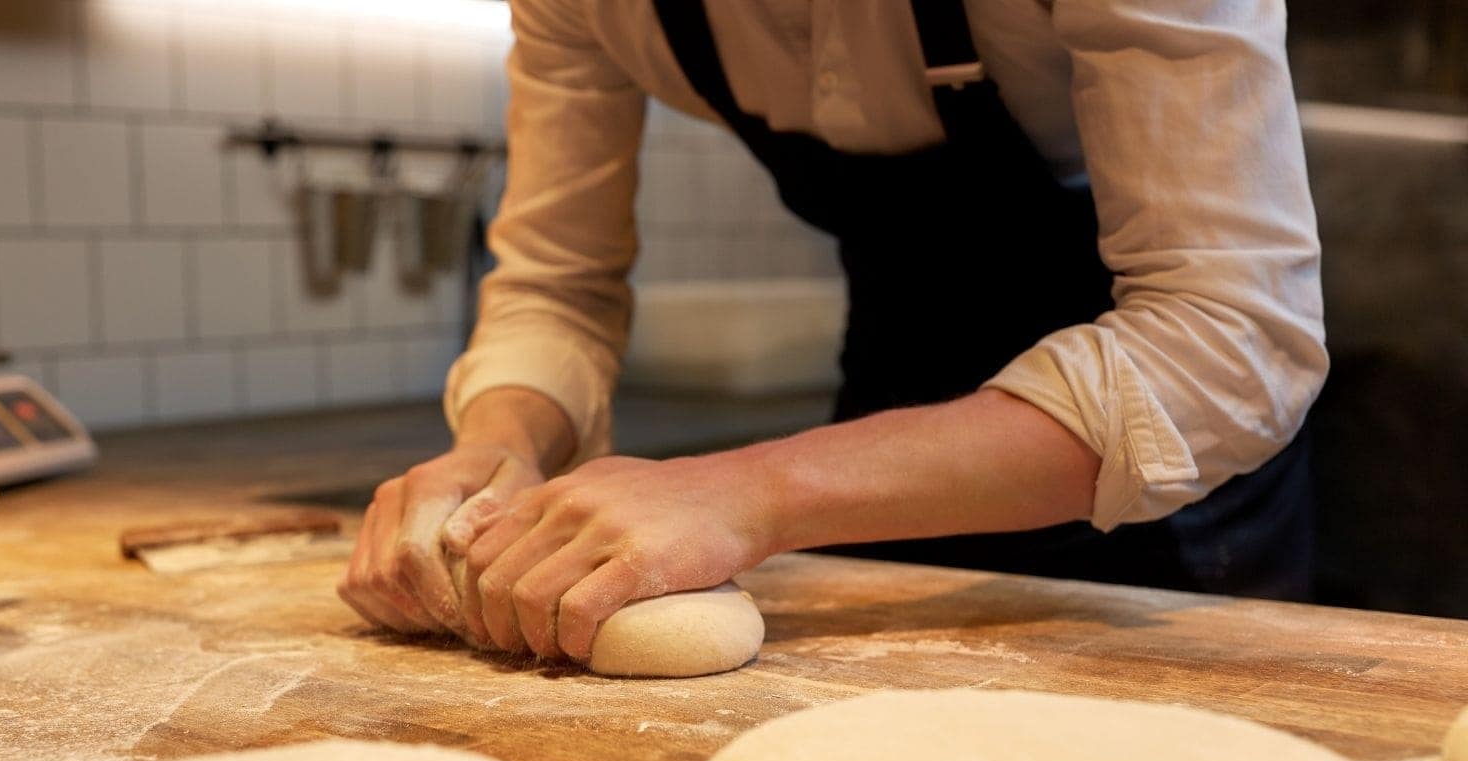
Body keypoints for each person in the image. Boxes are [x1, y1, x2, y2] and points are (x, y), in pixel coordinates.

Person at [339, 0, 1325, 664]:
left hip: (1164, 465)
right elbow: (556, 280)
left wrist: (751, 489)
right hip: (891, 393)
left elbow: (1227, 337)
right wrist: (500, 442)